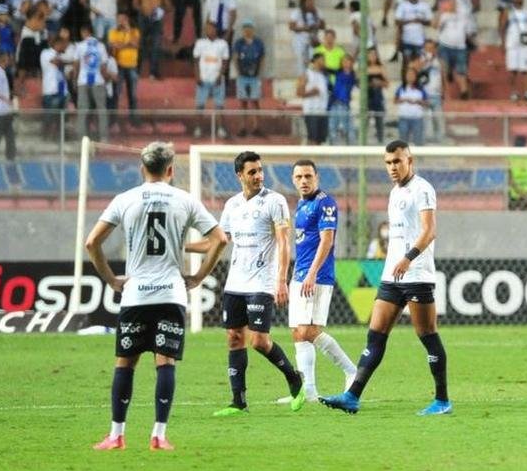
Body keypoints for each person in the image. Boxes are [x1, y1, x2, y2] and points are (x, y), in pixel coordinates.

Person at [87, 142, 227, 451]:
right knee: (165, 364)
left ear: (142, 169)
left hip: (135, 295)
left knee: (125, 363)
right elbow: (219, 239)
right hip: (171, 294)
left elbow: (92, 242)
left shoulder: (125, 199)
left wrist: (111, 279)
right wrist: (200, 276)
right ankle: (159, 435)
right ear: (171, 170)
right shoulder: (185, 200)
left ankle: (116, 435)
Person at [322, 140, 452, 416]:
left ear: (410, 160)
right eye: (389, 163)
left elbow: (430, 231)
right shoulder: (394, 192)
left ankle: (442, 400)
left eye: (398, 161)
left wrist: (408, 257)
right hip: (392, 276)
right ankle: (352, 395)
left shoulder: (423, 189)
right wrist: (394, 261)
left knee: (427, 335)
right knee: (375, 334)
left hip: (416, 274)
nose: (393, 167)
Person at [194, 151, 305, 416]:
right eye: (252, 172)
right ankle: (238, 401)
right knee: (234, 339)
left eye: (260, 170)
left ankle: (293, 377)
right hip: (235, 282)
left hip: (262, 282)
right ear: (239, 175)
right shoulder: (232, 205)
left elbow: (283, 242)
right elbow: (218, 242)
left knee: (259, 341)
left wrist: (281, 280)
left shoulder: (275, 201)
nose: (258, 176)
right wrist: (181, 245)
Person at [286, 160, 358, 403]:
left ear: (317, 177)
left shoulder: (324, 203)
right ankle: (309, 392)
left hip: (315, 275)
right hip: (300, 274)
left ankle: (351, 372)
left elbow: (327, 240)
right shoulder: (301, 204)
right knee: (298, 332)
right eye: (299, 177)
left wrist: (312, 273)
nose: (304, 181)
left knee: (308, 330)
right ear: (293, 180)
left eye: (308, 176)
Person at [192, 21, 229, 139]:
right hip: (203, 78)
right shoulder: (200, 43)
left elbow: (225, 61)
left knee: (219, 106)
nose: (208, 30)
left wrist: (220, 75)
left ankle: (220, 129)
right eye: (206, 28)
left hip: (217, 79)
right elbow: (196, 60)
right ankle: (198, 129)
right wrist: (197, 76)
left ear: (215, 29)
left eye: (210, 28)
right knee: (200, 105)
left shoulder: (222, 44)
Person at [501, 0, 527, 102]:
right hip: (512, 43)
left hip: (525, 43)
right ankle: (514, 92)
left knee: (526, 70)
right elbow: (502, 28)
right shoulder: (508, 11)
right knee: (513, 70)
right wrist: (503, 43)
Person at [233, 21, 265, 138]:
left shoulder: (258, 43)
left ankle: (257, 127)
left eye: (249, 28)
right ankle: (243, 127)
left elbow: (262, 58)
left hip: (254, 76)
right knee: (243, 102)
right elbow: (235, 58)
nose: (247, 31)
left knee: (255, 101)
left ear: (253, 30)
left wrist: (259, 73)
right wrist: (238, 72)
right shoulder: (239, 43)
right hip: (243, 76)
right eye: (245, 28)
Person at [298, 52, 330, 145]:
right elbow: (299, 92)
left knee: (320, 139)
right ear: (316, 60)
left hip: (322, 111)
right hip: (311, 111)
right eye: (322, 60)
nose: (324, 62)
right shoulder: (307, 74)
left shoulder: (323, 76)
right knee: (312, 138)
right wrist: (311, 92)